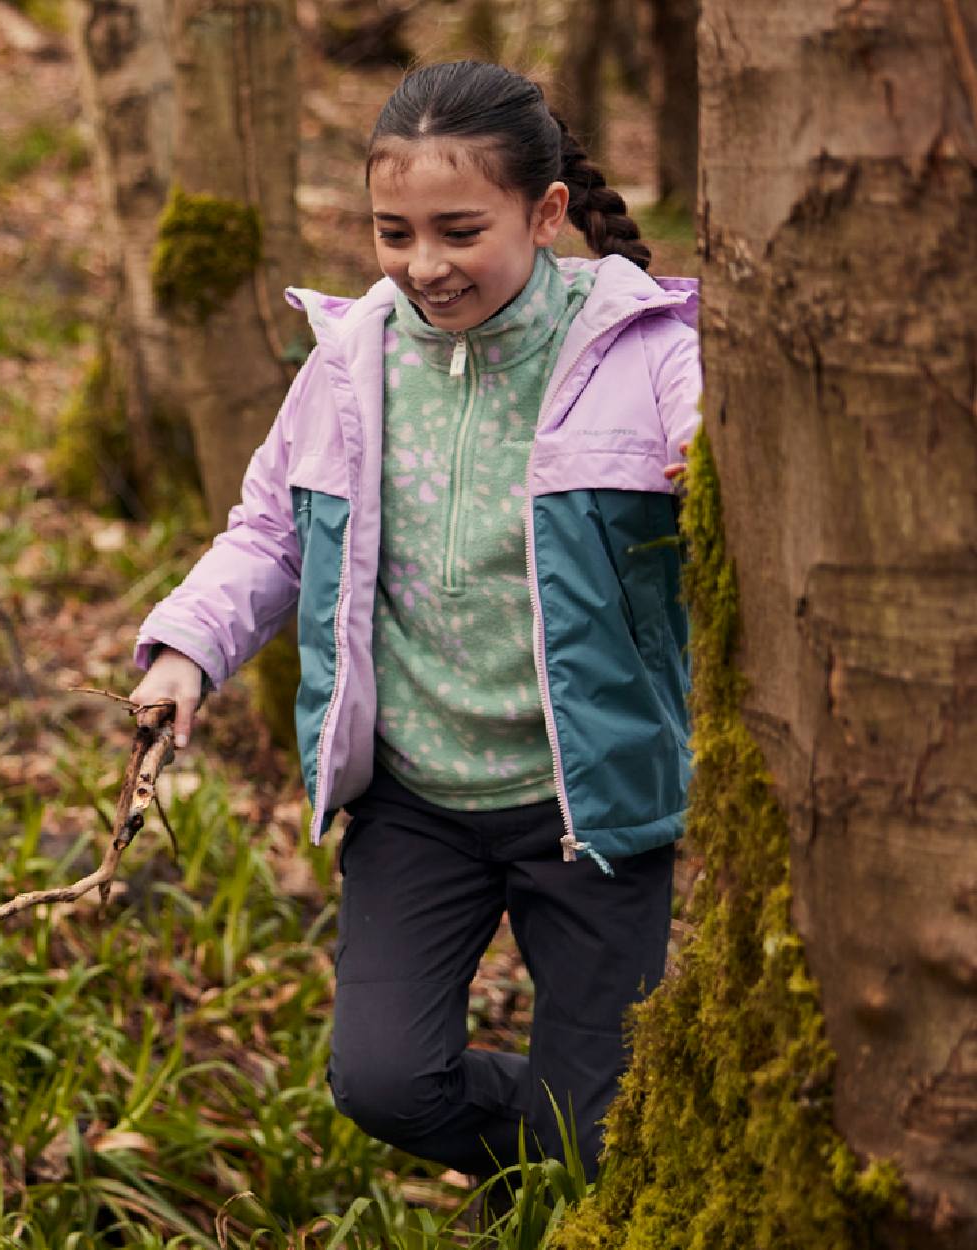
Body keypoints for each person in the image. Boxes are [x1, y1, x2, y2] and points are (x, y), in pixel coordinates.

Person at [130, 60, 700, 1182]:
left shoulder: (646, 351)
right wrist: (187, 648)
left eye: (458, 230)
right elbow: (268, 531)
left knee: (596, 1137)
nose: (423, 265)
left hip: (592, 802)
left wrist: (709, 459)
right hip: (416, 800)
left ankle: (591, 1136)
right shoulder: (354, 359)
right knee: (385, 1080)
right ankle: (582, 1129)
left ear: (543, 214)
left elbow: (722, 462)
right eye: (394, 232)